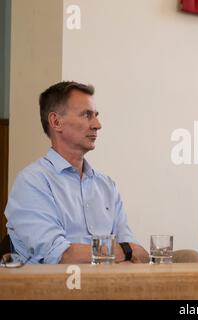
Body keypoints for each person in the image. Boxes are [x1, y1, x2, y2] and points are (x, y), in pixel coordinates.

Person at [5, 81, 149, 264]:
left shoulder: (106, 185)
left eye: (96, 115)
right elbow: (62, 255)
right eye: (86, 115)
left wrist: (127, 251)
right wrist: (124, 251)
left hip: (112, 285)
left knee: (188, 257)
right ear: (56, 122)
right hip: (59, 289)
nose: (97, 125)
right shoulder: (32, 182)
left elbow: (136, 253)